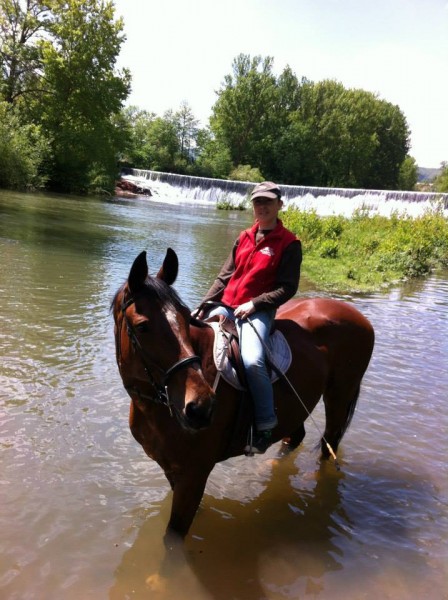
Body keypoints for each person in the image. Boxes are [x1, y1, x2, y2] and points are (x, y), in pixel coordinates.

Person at [199, 181, 302, 454]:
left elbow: (288, 287)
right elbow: (224, 277)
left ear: (280, 205)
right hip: (226, 305)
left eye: (268, 201)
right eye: (258, 202)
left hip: (258, 311)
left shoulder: (289, 243)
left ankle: (266, 424)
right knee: (194, 337)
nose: (262, 206)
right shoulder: (244, 236)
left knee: (252, 360)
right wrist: (204, 304)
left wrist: (255, 304)